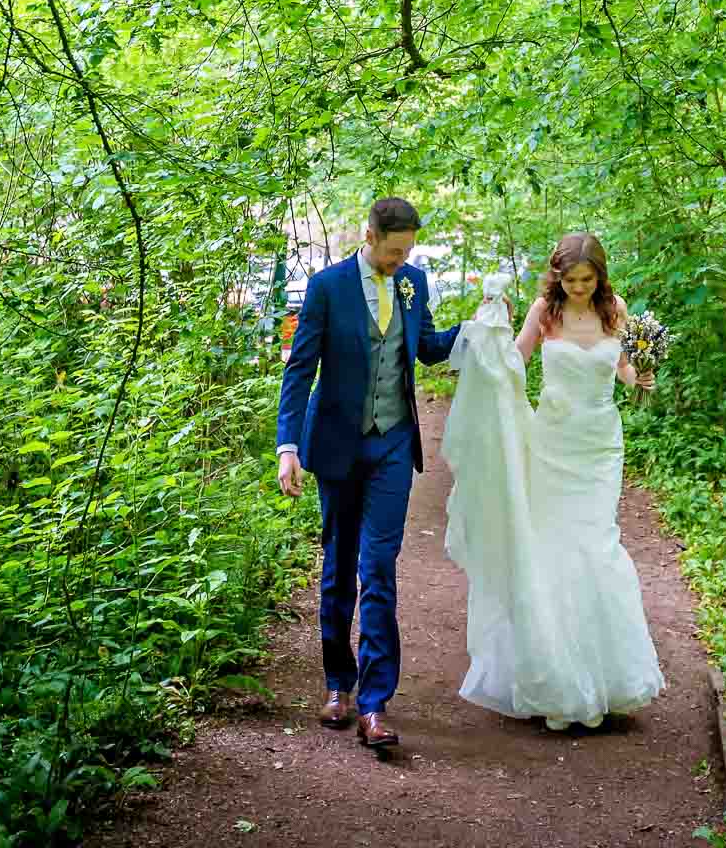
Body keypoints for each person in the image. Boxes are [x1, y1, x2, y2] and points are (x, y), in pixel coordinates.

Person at [441, 231, 665, 730]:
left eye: (588, 280)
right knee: (554, 548)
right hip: (553, 442)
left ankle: (606, 680)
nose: (580, 288)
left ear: (600, 277)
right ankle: (557, 679)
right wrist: (490, 342)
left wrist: (638, 378)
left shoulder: (616, 309)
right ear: (557, 276)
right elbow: (515, 361)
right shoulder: (545, 310)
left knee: (598, 544)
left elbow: (623, 367)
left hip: (600, 444)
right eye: (571, 280)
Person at [276, 196, 459, 749]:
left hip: (393, 446)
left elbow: (425, 349)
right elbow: (301, 368)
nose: (402, 261)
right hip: (335, 444)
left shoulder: (414, 283)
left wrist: (475, 333)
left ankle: (376, 704)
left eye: (409, 252)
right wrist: (287, 445)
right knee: (338, 564)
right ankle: (338, 684)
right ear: (370, 236)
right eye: (394, 250)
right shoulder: (327, 287)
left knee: (378, 568)